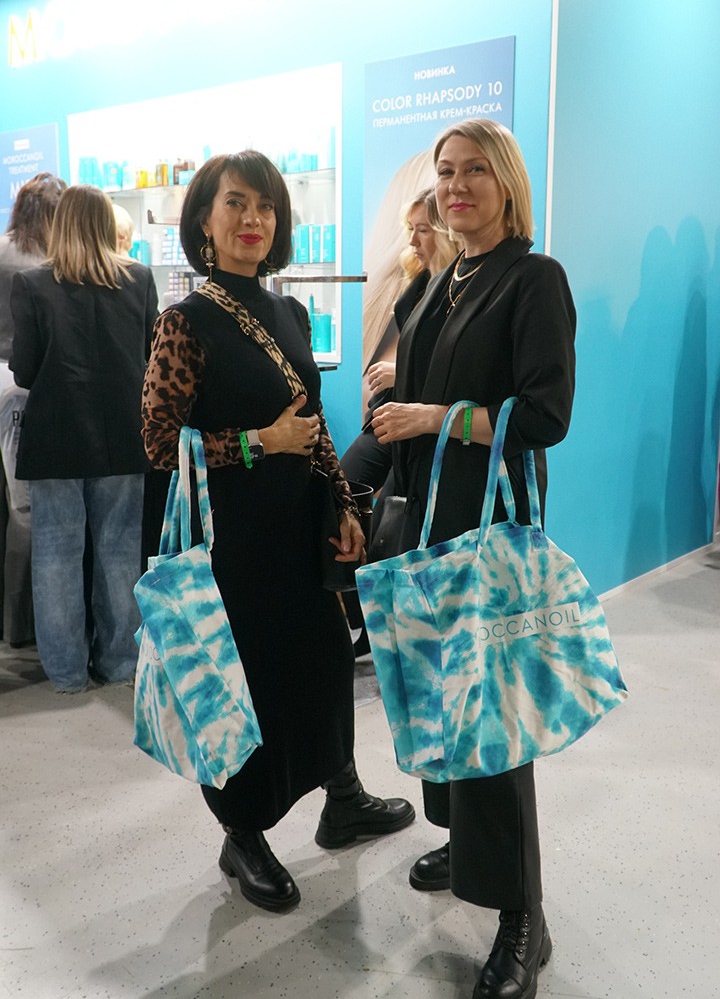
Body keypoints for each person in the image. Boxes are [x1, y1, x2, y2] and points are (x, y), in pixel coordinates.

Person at [140, 149, 415, 914]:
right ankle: (243, 834)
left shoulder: (289, 313)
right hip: (231, 546)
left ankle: (343, 797)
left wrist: (346, 510)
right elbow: (158, 443)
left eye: (265, 206)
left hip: (299, 530)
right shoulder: (183, 323)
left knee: (323, 664)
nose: (252, 219)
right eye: (236, 203)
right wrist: (256, 443)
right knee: (246, 684)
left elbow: (314, 428)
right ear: (204, 220)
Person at [371, 119, 576, 999]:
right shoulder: (446, 278)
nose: (456, 186)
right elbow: (415, 386)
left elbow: (544, 415)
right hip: (427, 523)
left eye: (474, 172)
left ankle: (524, 917)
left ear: (507, 183)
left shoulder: (533, 278)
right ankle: (463, 841)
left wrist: (432, 416)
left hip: (486, 526)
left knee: (494, 718)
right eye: (446, 172)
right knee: (440, 696)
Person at [10, 185, 158, 692]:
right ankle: (119, 663)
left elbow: (24, 370)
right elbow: (150, 357)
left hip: (55, 436)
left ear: (61, 224)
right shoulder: (139, 279)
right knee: (120, 553)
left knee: (56, 555)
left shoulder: (33, 284)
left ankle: (67, 671)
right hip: (123, 435)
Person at [340, 187, 459, 655]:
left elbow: (456, 374)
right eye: (410, 229)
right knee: (342, 493)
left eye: (422, 230)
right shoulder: (422, 283)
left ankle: (374, 626)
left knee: (391, 526)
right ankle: (359, 616)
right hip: (392, 417)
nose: (412, 240)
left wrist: (400, 372)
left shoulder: (463, 289)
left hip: (422, 427)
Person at [0, 172, 67, 648]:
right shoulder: (48, 260)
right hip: (23, 389)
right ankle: (21, 625)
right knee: (27, 510)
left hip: (5, 384)